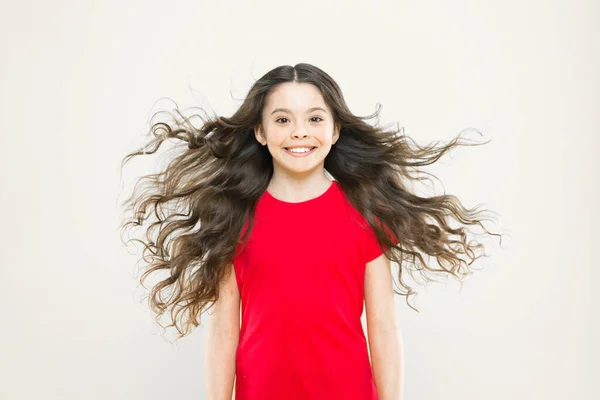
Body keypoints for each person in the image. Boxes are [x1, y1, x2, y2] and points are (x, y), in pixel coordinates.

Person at [119, 63, 502, 400]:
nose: (299, 132)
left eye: (315, 119)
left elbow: (383, 327)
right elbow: (223, 332)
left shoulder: (367, 214)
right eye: (283, 120)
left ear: (335, 130)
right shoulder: (234, 217)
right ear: (260, 132)